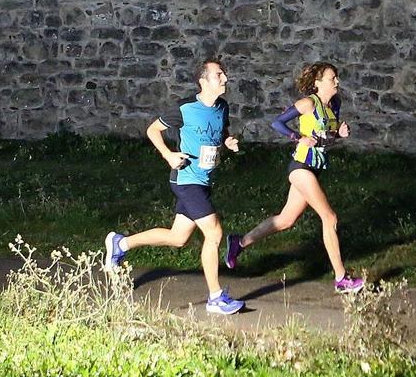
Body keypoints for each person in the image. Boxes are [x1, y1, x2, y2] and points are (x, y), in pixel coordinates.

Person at [104, 59, 244, 315]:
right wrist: (168, 155)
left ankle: (120, 245)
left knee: (178, 238)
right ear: (203, 81)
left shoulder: (222, 107)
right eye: (219, 75)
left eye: (224, 74)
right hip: (186, 179)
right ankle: (215, 298)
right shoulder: (185, 108)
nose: (225, 79)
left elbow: (220, 132)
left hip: (204, 181)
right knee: (214, 234)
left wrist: (229, 141)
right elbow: (152, 130)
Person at [223, 61, 363, 294]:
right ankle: (341, 278)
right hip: (301, 166)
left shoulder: (334, 104)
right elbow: (276, 122)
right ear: (318, 83)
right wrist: (297, 137)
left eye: (336, 77)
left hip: (314, 167)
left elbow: (326, 136)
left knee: (286, 219)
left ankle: (240, 242)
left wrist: (339, 133)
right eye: (332, 78)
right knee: (329, 218)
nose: (337, 81)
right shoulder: (308, 103)